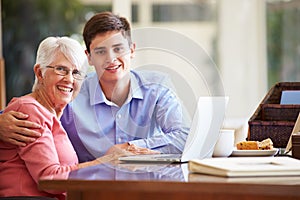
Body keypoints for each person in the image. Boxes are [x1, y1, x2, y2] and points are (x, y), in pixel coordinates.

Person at [0, 12, 189, 163]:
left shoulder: (157, 88)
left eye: (118, 48)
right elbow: (29, 112)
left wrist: (129, 148)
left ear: (131, 50)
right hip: (88, 191)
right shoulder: (70, 91)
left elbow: (184, 137)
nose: (111, 59)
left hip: (147, 187)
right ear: (88, 57)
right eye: (100, 51)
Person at [0, 36, 130, 199]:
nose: (69, 79)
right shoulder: (29, 110)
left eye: (76, 73)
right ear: (40, 73)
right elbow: (49, 178)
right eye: (61, 69)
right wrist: (106, 162)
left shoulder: (53, 114)